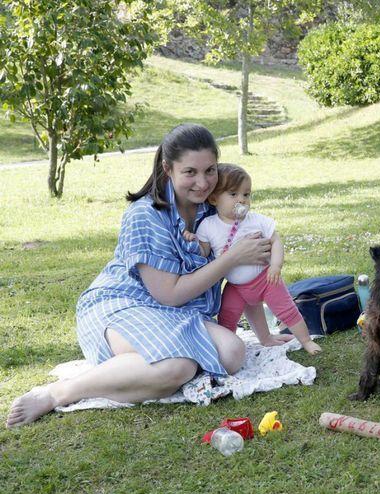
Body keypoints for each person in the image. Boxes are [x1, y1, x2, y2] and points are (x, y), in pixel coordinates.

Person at [6, 124, 273, 428]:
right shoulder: (145, 215)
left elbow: (247, 273)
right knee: (178, 365)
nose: (203, 183)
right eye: (190, 172)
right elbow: (169, 294)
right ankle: (57, 393)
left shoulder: (212, 210)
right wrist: (231, 259)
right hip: (125, 304)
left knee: (233, 353)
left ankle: (137, 369)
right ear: (167, 169)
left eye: (210, 170)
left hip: (182, 315)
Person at [189, 163, 321, 354]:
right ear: (214, 198)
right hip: (236, 286)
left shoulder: (255, 220)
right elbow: (204, 252)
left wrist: (276, 265)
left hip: (266, 279)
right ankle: (227, 347)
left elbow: (276, 241)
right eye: (233, 194)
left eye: (246, 194)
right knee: (227, 315)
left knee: (286, 310)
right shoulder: (208, 226)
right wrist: (194, 241)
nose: (241, 200)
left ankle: (306, 340)